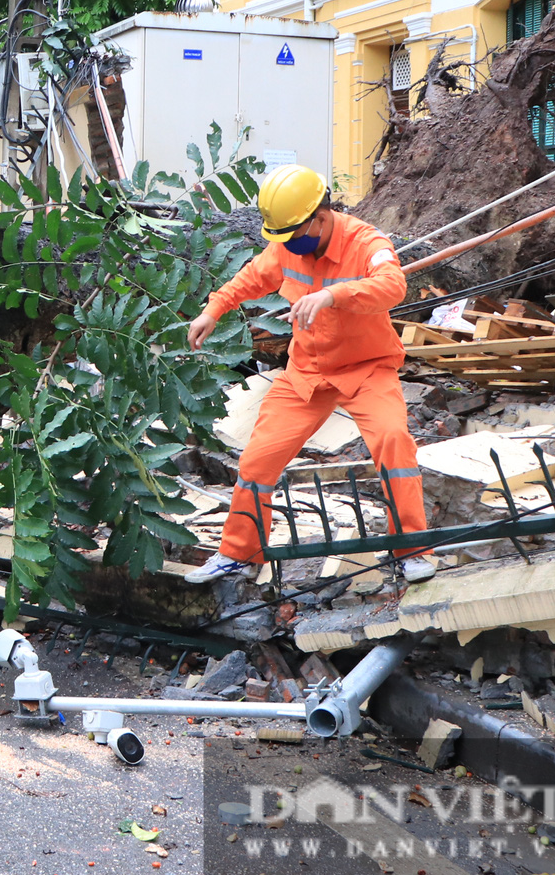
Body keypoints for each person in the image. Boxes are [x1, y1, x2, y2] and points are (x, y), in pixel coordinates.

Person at [182, 164, 434, 586]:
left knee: (393, 442)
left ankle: (411, 549)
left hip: (366, 368)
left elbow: (393, 286)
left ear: (320, 216)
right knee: (257, 459)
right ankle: (239, 553)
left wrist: (334, 294)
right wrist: (213, 309)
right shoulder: (288, 245)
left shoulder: (367, 242)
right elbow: (251, 278)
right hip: (307, 371)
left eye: (295, 235)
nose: (290, 246)